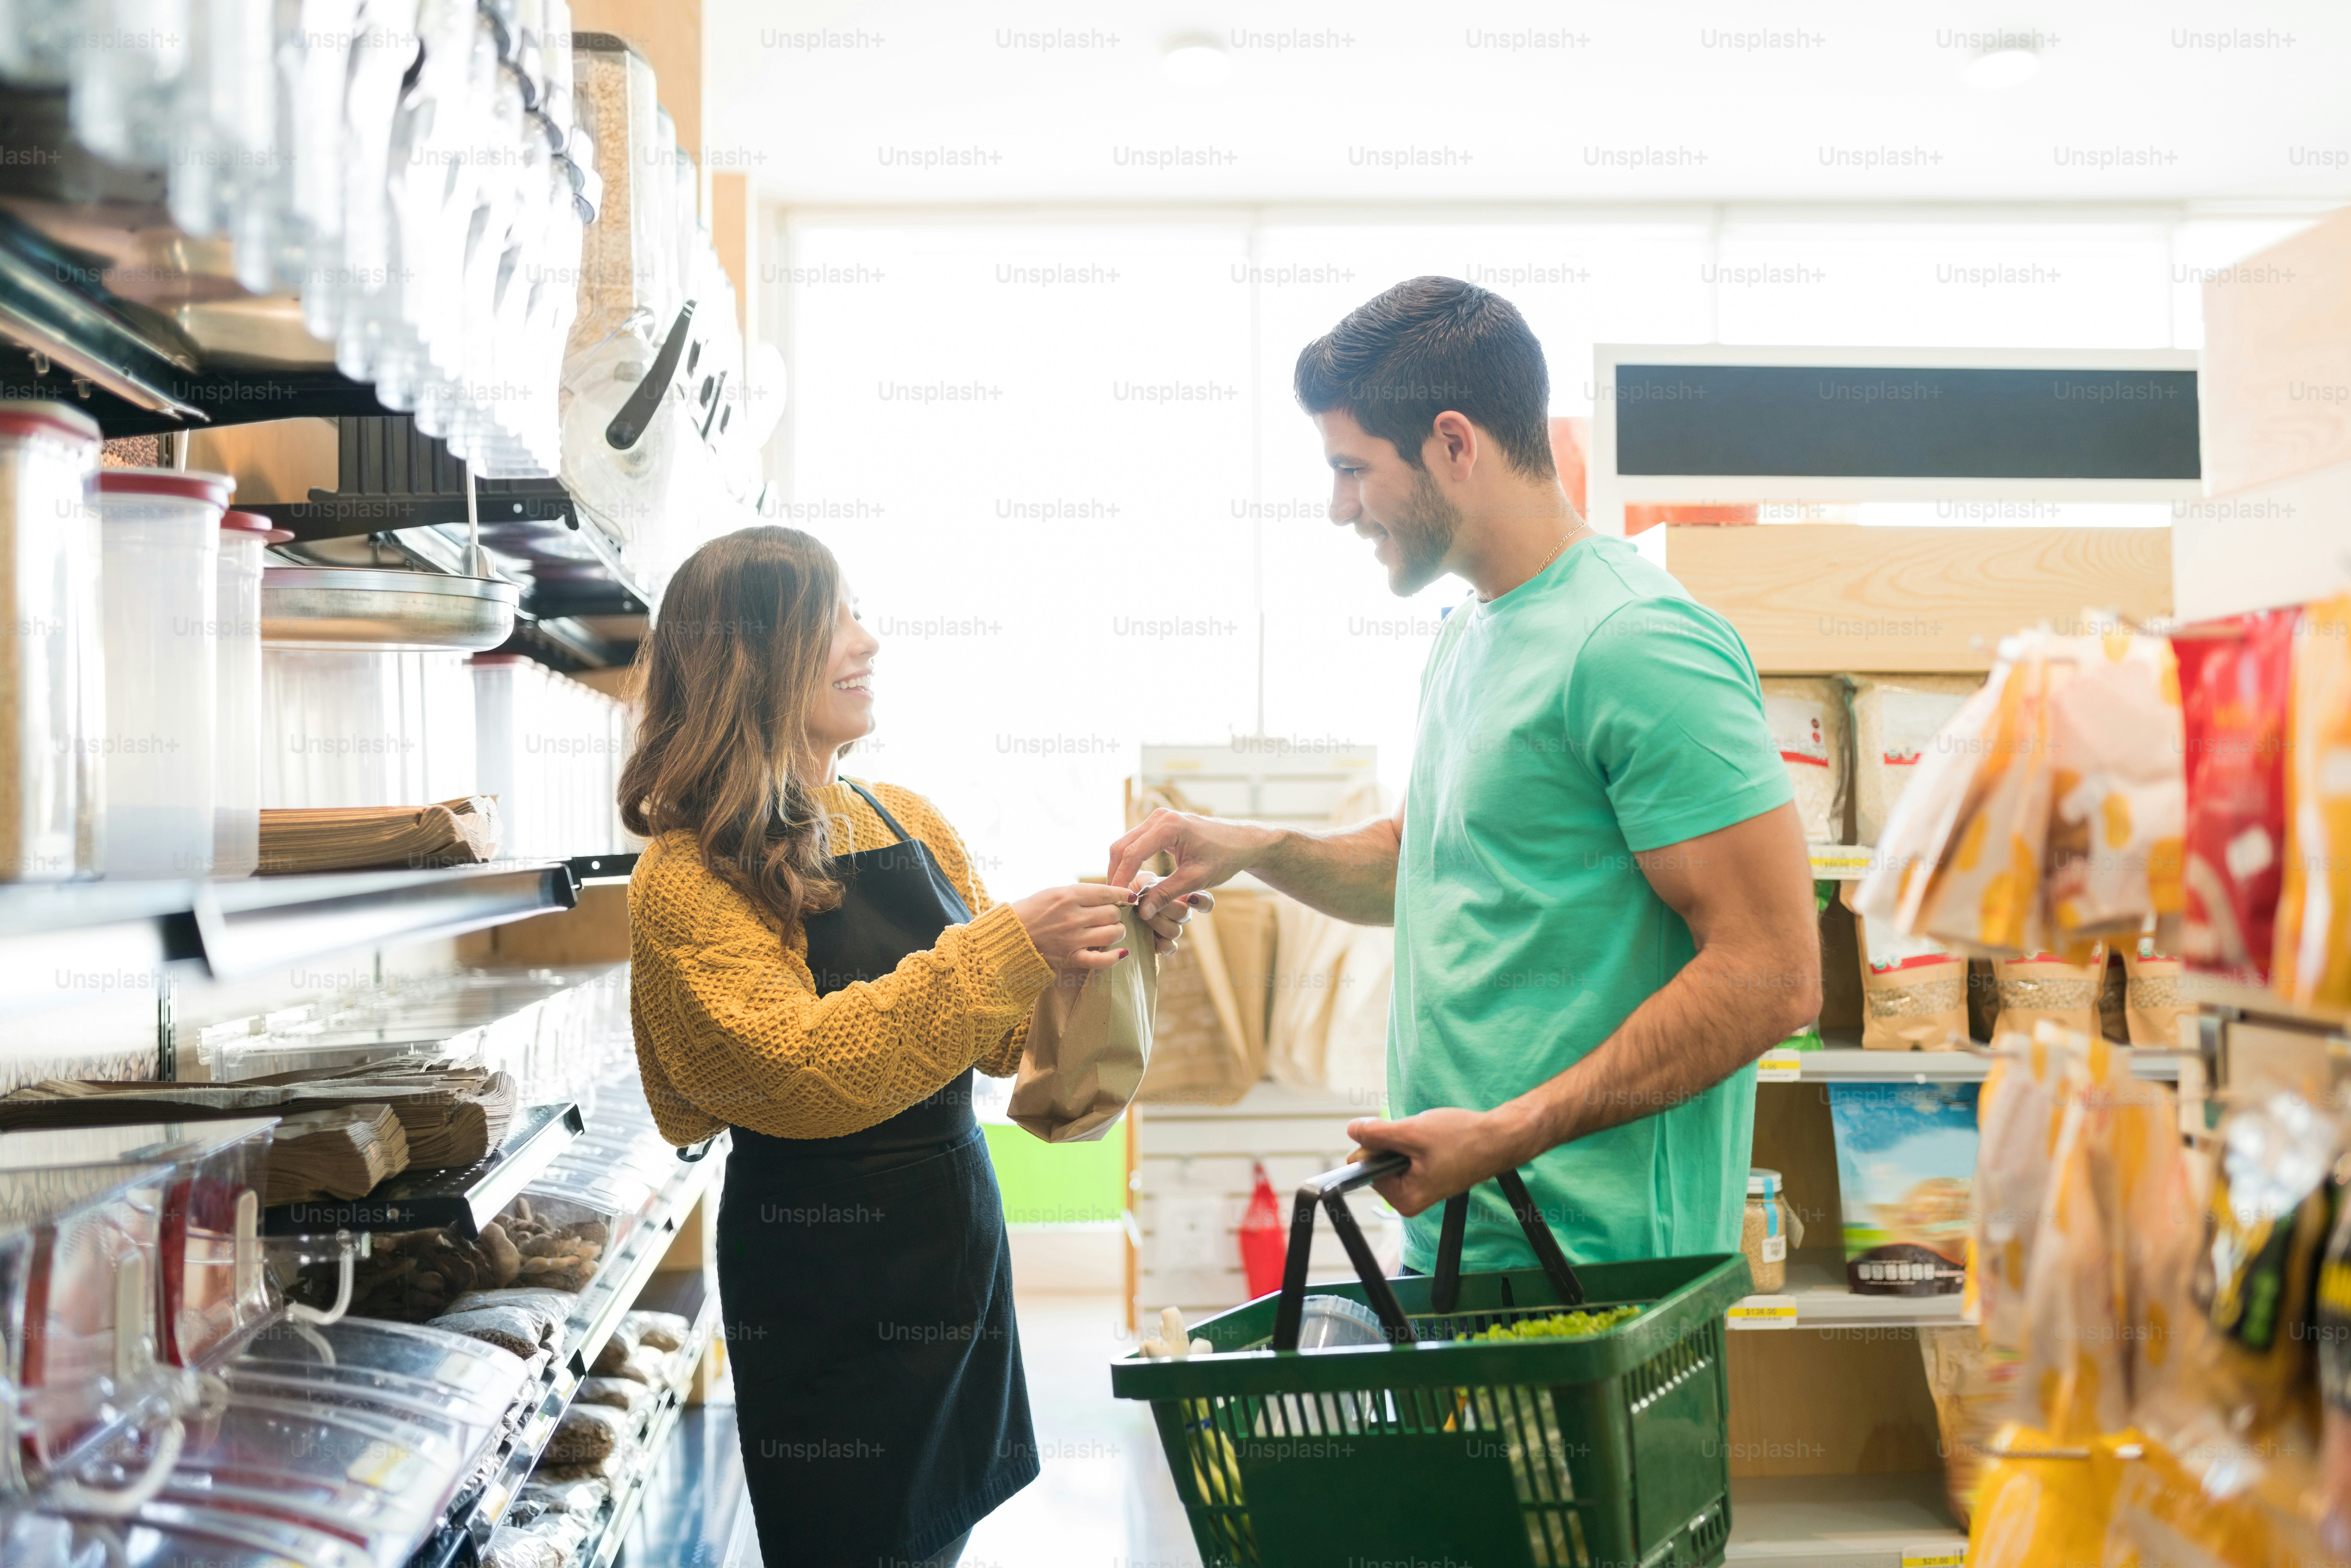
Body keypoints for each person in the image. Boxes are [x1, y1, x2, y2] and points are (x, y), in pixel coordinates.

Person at [1109, 277, 1821, 1276]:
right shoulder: (1467, 635)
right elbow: (1420, 866)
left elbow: (1772, 973)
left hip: (1601, 1266)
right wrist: (1255, 849)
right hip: (1460, 1232)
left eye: (1353, 469)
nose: (1337, 509)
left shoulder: (1636, 642)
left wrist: (1508, 1134)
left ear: (1454, 443)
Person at [622, 525, 1197, 1565]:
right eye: (835, 617)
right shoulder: (687, 873)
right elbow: (794, 1071)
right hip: (826, 1267)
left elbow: (999, 1040)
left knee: (940, 1533)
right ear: (751, 653)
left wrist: (1098, 950)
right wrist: (1006, 947)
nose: (868, 641)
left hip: (952, 1244)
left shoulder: (907, 819)